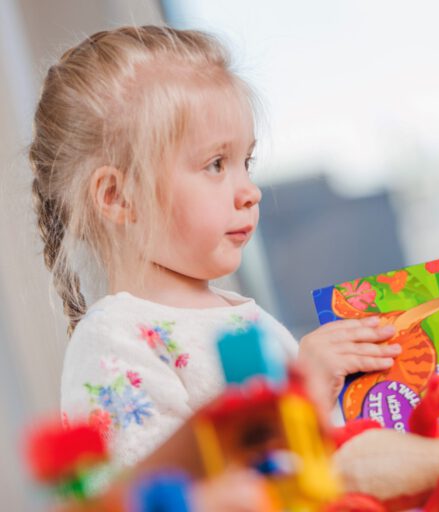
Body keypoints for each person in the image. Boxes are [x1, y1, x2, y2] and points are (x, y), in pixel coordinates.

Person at [28, 25, 401, 469]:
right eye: (216, 164)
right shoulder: (115, 343)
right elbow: (152, 496)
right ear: (117, 197)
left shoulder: (245, 316)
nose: (250, 191)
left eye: (247, 162)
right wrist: (306, 392)